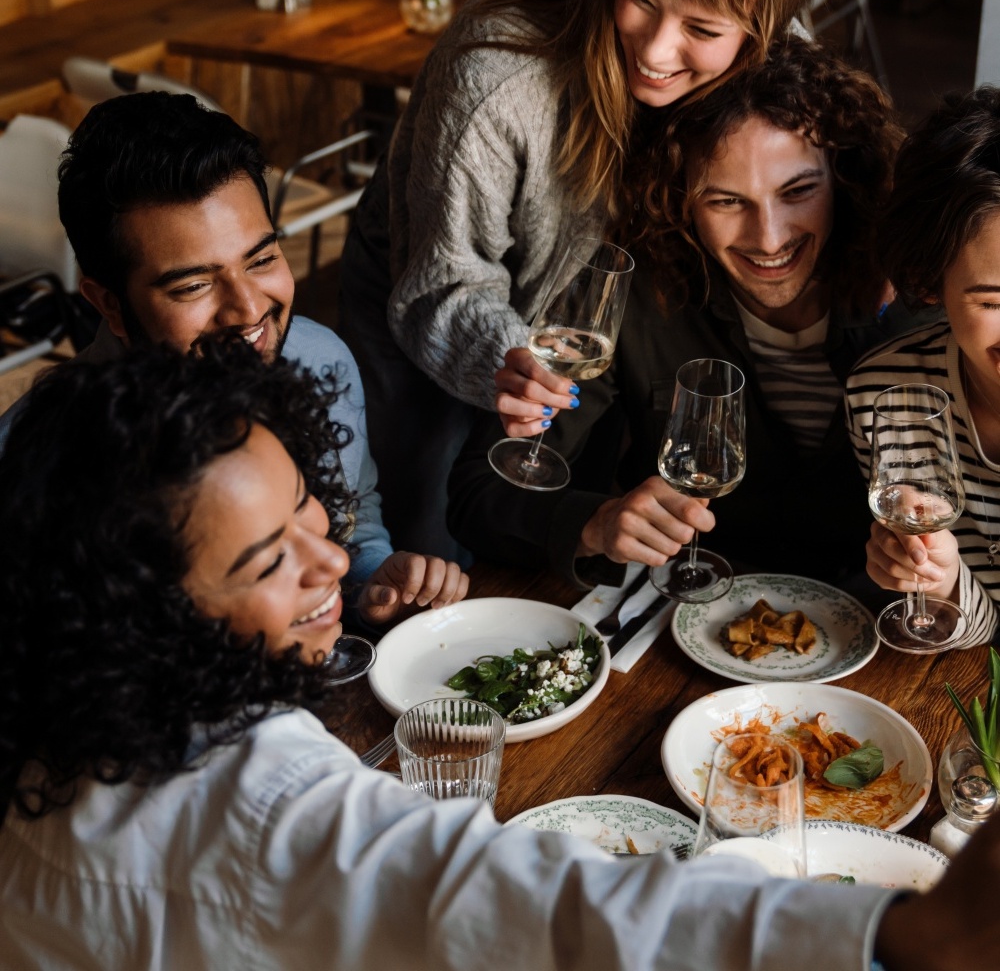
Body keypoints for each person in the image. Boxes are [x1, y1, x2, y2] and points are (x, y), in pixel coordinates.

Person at [0, 337, 995, 971]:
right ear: (141, 612)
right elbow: (542, 909)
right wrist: (897, 935)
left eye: (310, 509)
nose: (334, 560)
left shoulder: (54, 728)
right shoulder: (255, 804)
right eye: (269, 560)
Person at [339, 0, 827, 561]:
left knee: (567, 516)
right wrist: (504, 363)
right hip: (434, 294)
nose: (656, 49)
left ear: (763, 27)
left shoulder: (780, 56)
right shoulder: (496, 78)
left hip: (587, 310)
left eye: (704, 31)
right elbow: (444, 279)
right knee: (426, 539)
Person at [448, 35, 931, 595]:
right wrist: (594, 524)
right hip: (678, 619)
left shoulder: (915, 296)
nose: (768, 237)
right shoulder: (633, 296)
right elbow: (479, 493)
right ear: (677, 199)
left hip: (880, 621)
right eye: (726, 201)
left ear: (843, 178)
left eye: (798, 191)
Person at [0, 91, 467, 629]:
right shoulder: (31, 465)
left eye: (262, 258)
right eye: (194, 285)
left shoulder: (319, 360)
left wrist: (374, 581)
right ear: (108, 303)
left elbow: (352, 529)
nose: (249, 310)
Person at [845, 86, 1000, 647]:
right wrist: (943, 584)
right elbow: (984, 630)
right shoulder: (887, 395)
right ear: (932, 282)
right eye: (994, 302)